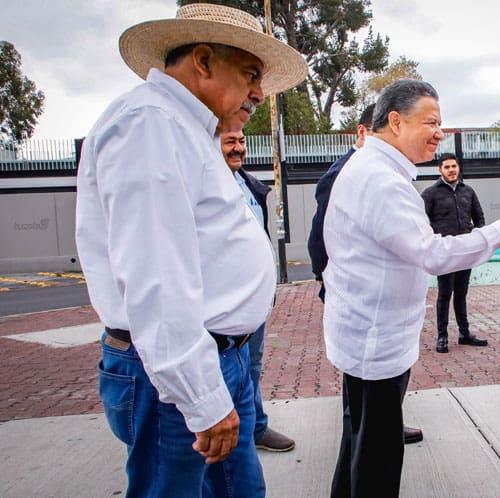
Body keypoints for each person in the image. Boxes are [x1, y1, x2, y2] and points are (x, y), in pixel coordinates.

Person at [74, 4, 307, 495]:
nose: (258, 93)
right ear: (202, 61)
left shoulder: (184, 128)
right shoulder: (150, 125)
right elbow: (158, 281)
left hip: (219, 359)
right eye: (249, 74)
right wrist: (201, 398)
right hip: (182, 371)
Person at [323, 79, 500, 497]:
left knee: (357, 447)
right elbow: (434, 255)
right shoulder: (382, 180)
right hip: (376, 345)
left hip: (364, 337)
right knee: (377, 461)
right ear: (396, 122)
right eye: (432, 122)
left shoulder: (371, 167)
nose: (441, 132)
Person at [307, 103, 425, 446]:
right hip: (357, 294)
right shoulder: (350, 172)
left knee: (375, 395)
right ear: (366, 132)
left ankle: (379, 424)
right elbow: (322, 231)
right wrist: (327, 277)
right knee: (363, 391)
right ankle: (366, 431)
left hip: (373, 297)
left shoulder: (379, 170)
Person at [219, 123, 296, 452]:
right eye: (229, 142)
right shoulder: (206, 185)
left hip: (255, 300)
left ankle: (254, 427)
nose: (238, 147)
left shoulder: (250, 184)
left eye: (241, 141)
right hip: (224, 303)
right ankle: (229, 430)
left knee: (252, 364)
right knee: (227, 367)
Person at [421, 153, 488, 353]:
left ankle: (464, 333)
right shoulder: (430, 193)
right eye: (447, 167)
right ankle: (442, 337)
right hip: (445, 253)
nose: (451, 170)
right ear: (440, 170)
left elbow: (480, 218)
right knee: (444, 295)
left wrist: (475, 237)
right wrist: (434, 242)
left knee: (461, 294)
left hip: (465, 252)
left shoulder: (468, 191)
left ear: (458, 168)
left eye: (454, 166)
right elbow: (422, 221)